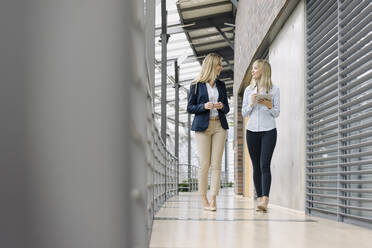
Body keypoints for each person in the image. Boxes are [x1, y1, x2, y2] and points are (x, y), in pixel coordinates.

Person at [187, 53, 229, 211]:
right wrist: (203, 107)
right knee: (205, 164)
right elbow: (190, 107)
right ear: (212, 65)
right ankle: (203, 198)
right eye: (219, 64)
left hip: (219, 126)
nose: (221, 67)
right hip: (203, 127)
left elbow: (227, 107)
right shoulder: (196, 84)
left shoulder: (222, 85)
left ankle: (213, 198)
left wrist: (221, 106)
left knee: (216, 165)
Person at [242, 59, 280, 212]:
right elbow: (244, 113)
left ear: (263, 70)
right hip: (251, 131)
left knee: (265, 164)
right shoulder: (248, 90)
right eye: (252, 69)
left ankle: (265, 199)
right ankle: (259, 199)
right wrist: (251, 103)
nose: (253, 71)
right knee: (256, 166)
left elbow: (277, 113)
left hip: (269, 130)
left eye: (255, 68)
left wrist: (269, 106)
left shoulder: (274, 90)